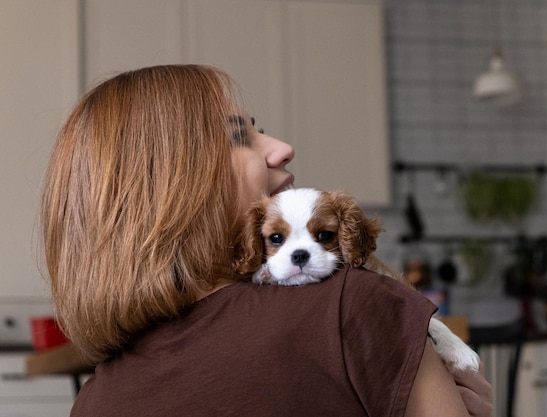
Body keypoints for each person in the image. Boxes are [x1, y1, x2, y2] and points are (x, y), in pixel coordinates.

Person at [41, 65, 492, 417]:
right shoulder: (354, 306)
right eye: (240, 135)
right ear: (169, 188)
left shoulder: (93, 401)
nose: (281, 147)